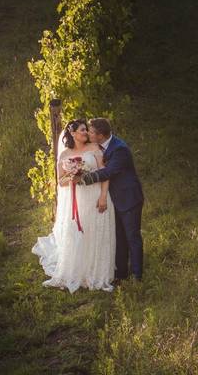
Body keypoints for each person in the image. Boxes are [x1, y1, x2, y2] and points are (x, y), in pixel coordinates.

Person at [32, 119, 116, 292]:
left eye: (87, 130)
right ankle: (81, 271)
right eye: (83, 130)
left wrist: (103, 197)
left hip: (95, 196)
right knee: (81, 235)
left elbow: (105, 174)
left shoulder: (95, 149)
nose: (86, 133)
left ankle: (96, 272)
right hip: (78, 200)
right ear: (73, 133)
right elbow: (60, 182)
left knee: (96, 232)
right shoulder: (64, 155)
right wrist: (72, 174)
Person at [75, 117, 145, 282]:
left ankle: (137, 275)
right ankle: (121, 273)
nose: (88, 133)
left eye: (91, 131)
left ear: (100, 135)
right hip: (115, 199)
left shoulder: (120, 149)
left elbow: (109, 172)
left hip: (129, 199)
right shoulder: (99, 145)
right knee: (119, 238)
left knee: (132, 237)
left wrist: (84, 180)